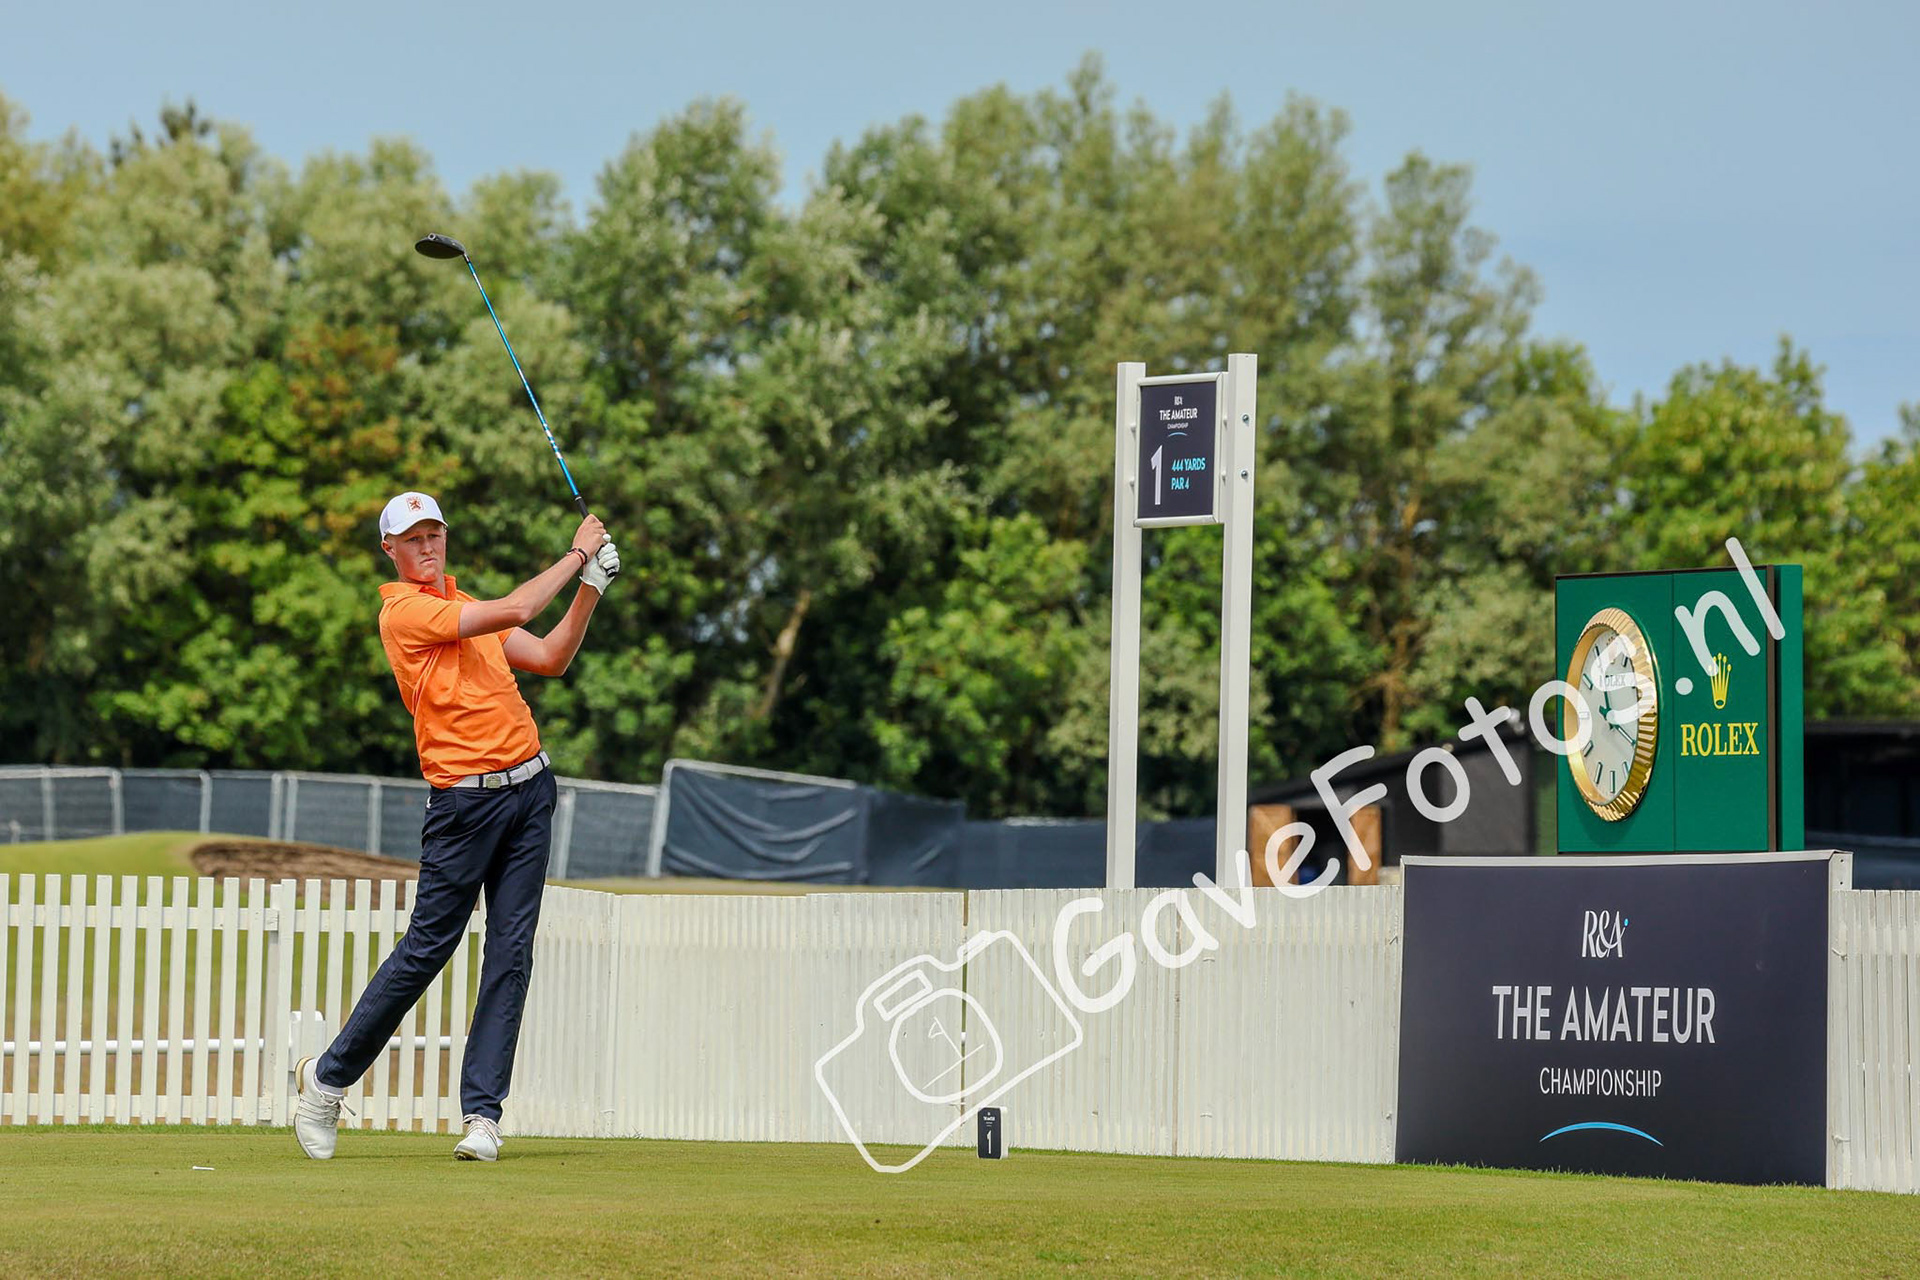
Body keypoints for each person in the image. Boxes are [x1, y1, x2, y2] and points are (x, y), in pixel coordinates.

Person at [292, 490, 619, 1162]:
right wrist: (577, 551)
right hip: (464, 807)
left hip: (530, 788)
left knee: (511, 952)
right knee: (427, 949)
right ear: (390, 549)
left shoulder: (466, 607)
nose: (427, 546)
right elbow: (525, 606)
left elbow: (552, 656)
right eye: (412, 538)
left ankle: (482, 1117)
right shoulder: (407, 612)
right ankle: (326, 1082)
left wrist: (591, 587)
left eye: (434, 533)